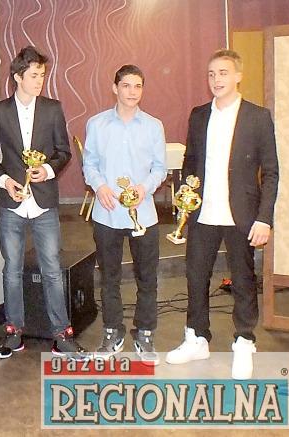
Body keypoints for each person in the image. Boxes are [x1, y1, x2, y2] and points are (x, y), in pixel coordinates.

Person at [165, 50, 279, 380]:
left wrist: (264, 218)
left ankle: (244, 341)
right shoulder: (199, 115)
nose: (216, 79)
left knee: (242, 280)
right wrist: (186, 197)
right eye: (212, 74)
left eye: (223, 73)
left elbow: (271, 172)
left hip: (242, 214)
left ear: (238, 76)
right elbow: (190, 161)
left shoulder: (258, 117)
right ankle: (197, 337)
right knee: (195, 276)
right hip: (203, 213)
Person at [0, 46, 87, 360]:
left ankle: (62, 335)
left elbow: (63, 152)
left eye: (42, 75)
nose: (40, 80)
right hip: (11, 202)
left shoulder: (53, 109)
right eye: (34, 75)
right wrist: (5, 180)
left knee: (53, 270)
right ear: (17, 77)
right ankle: (13, 332)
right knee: (11, 270)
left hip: (44, 202)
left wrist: (48, 170)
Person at [82, 65, 167, 364]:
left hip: (143, 215)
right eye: (127, 85)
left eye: (138, 86)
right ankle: (112, 332)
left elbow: (160, 168)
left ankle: (145, 333)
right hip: (107, 214)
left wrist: (145, 188)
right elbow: (89, 164)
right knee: (109, 278)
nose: (132, 92)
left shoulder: (153, 126)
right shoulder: (97, 124)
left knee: (147, 278)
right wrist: (100, 186)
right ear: (114, 88)